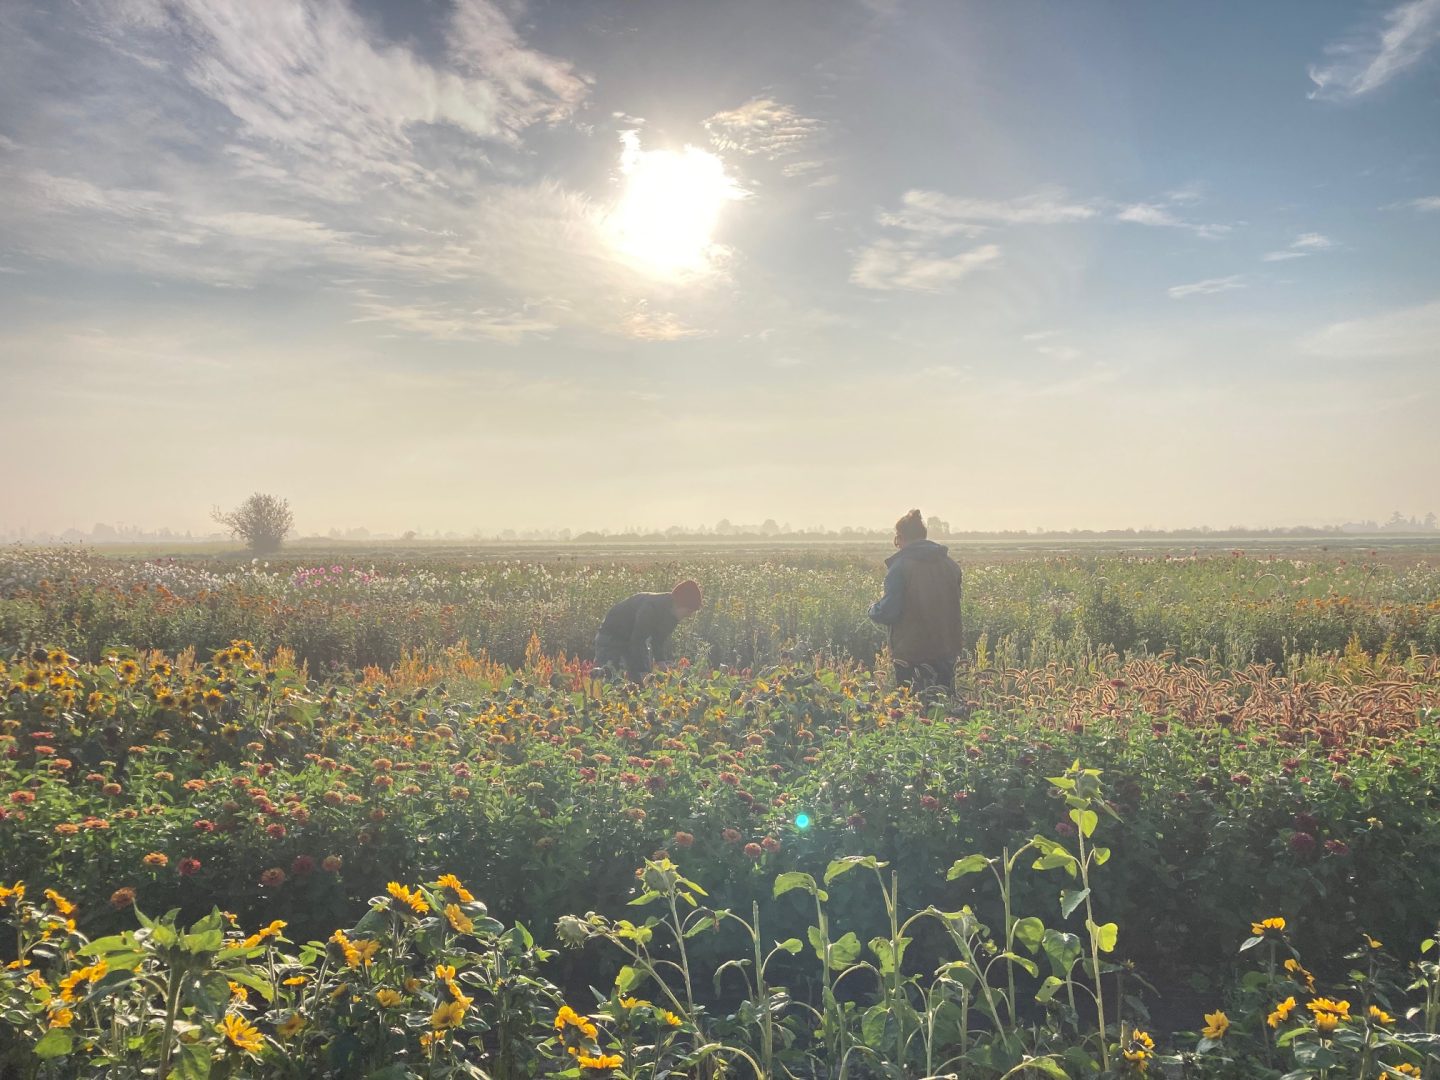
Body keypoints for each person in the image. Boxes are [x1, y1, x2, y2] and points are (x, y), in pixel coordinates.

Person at [868, 509, 963, 692]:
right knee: (943, 708)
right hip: (946, 649)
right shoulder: (950, 565)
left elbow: (889, 611)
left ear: (901, 537)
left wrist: (873, 609)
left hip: (911, 653)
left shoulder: (900, 568)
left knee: (911, 709)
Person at [593, 580, 703, 682]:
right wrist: (643, 671)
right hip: (611, 637)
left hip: (634, 639)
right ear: (679, 603)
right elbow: (637, 640)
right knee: (610, 678)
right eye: (689, 611)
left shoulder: (673, 617)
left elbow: (658, 641)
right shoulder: (651, 607)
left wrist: (662, 664)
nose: (689, 615)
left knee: (640, 684)